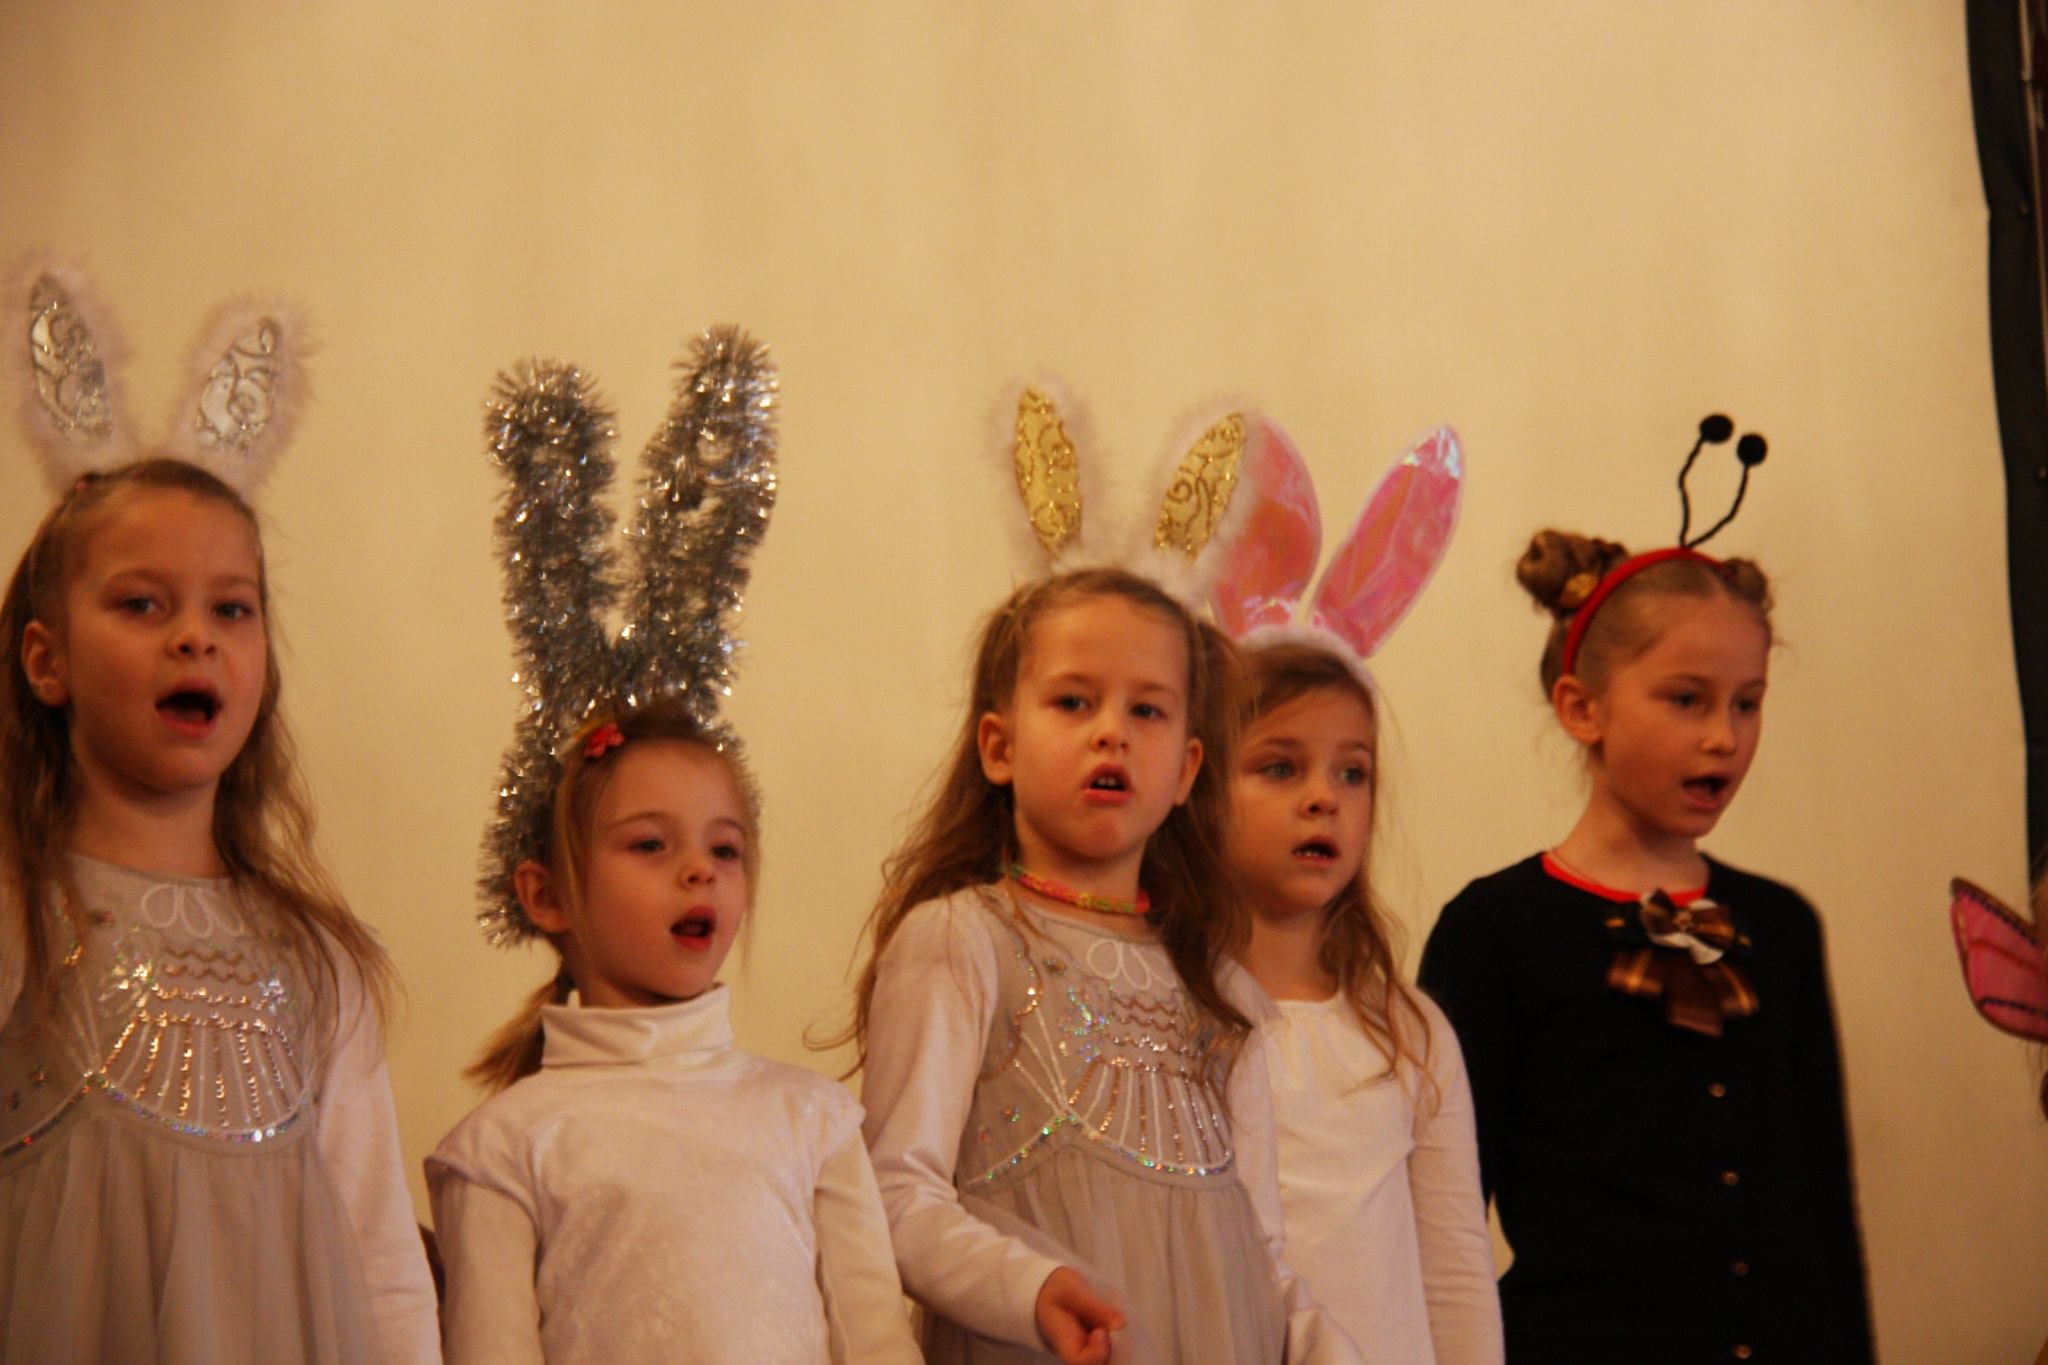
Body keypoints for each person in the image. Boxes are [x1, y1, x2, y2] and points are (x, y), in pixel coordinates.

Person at [848, 566, 1356, 1364]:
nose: (1112, 732)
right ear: (1000, 747)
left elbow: (1259, 1252)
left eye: (1146, 709)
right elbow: (896, 1192)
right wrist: (1028, 1287)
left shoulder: (1219, 989)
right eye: (1074, 702)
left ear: (1186, 770)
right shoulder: (960, 940)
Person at [0, 458, 439, 1362]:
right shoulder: (21, 917)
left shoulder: (317, 958)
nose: (195, 637)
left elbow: (381, 1259)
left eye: (231, 608)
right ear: (47, 660)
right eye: (142, 604)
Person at [1419, 527, 1874, 1363]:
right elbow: (1447, 1211)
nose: (1724, 737)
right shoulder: (1495, 929)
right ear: (1581, 708)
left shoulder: (1780, 924)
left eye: (1747, 702)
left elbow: (1825, 1203)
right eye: (1687, 699)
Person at [427, 705, 921, 1363]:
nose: (699, 869)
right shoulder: (500, 1149)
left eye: (724, 849)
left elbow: (880, 1343)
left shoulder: (814, 1119)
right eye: (650, 844)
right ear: (548, 895)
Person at [1227, 641, 1500, 1363]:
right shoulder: (1174, 1011)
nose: (1325, 798)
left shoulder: (1408, 1029)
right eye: (1280, 767)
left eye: (1352, 772)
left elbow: (1456, 1273)